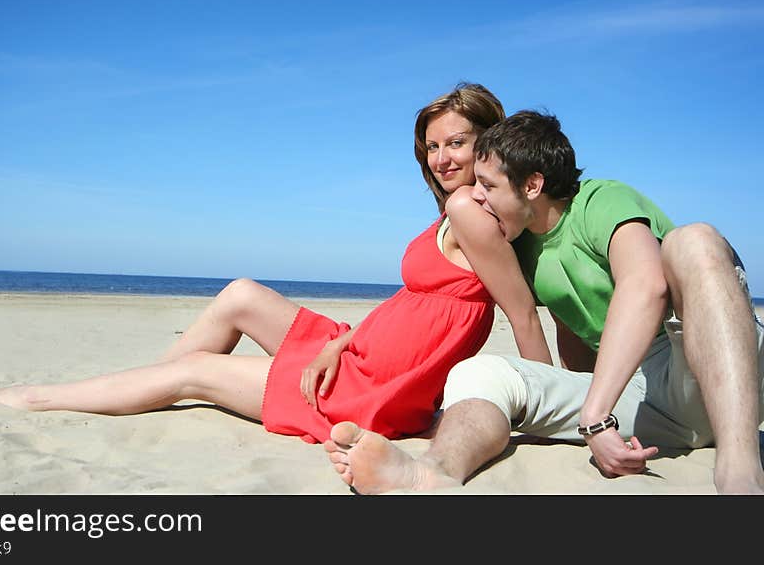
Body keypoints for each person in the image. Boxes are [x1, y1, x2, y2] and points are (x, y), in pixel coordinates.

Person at [0, 84, 552, 445]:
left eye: (457, 142)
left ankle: (47, 397)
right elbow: (418, 309)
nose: (442, 157)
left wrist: (554, 405)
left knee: (195, 370)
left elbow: (523, 315)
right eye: (432, 147)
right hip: (358, 357)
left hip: (368, 392)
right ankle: (138, 386)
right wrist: (341, 341)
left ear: (488, 141)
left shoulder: (468, 210)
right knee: (240, 294)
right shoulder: (458, 213)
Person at [325, 109, 764, 494]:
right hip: (648, 401)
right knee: (481, 371)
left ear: (532, 184)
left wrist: (594, 413)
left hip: (715, 367)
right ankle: (433, 472)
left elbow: (645, 284)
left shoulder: (600, 201)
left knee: (695, 241)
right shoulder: (525, 248)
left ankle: (740, 466)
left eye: (488, 185)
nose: (476, 196)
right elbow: (570, 334)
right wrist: (566, 404)